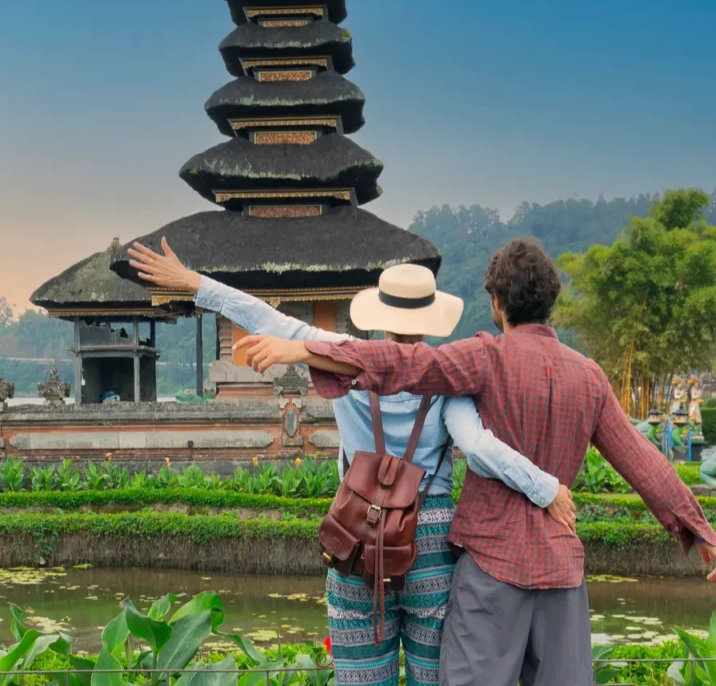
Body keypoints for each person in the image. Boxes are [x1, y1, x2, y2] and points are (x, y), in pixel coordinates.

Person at [233, 237, 716, 686]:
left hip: (490, 569)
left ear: (496, 304)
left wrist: (305, 349)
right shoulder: (589, 377)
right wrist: (701, 529)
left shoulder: (486, 357)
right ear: (550, 302)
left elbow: (407, 364)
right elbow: (641, 459)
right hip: (561, 573)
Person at [128, 239, 572, 686]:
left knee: (362, 677)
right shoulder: (448, 374)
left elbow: (268, 318)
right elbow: (477, 446)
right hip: (431, 542)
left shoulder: (341, 356)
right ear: (430, 318)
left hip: (358, 535)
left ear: (379, 316)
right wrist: (546, 488)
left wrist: (193, 283)